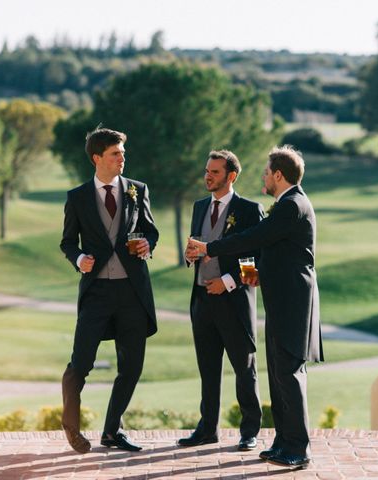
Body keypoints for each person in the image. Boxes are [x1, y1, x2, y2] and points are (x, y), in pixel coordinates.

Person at [188, 145, 323, 469]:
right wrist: (258, 274)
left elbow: (254, 240)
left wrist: (211, 248)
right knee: (278, 373)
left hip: (292, 303)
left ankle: (298, 448)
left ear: (278, 175)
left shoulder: (291, 206)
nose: (262, 176)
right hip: (279, 301)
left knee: (289, 374)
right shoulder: (287, 204)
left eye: (265, 172)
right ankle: (282, 442)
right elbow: (276, 253)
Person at [60, 127, 159, 454]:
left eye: (123, 154)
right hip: (97, 294)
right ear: (97, 158)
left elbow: (150, 231)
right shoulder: (77, 197)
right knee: (80, 364)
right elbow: (67, 242)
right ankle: (71, 427)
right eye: (116, 154)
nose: (122, 159)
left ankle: (112, 431)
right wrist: (78, 258)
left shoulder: (137, 190)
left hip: (133, 293)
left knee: (131, 367)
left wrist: (147, 243)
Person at [178, 150, 263, 451]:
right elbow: (196, 247)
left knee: (244, 368)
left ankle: (250, 430)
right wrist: (189, 257)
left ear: (231, 176)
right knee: (208, 368)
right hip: (201, 302)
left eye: (214, 172)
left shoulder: (250, 210)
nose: (208, 176)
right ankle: (207, 429)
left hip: (234, 303)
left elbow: (256, 262)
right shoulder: (200, 207)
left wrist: (227, 283)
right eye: (207, 171)